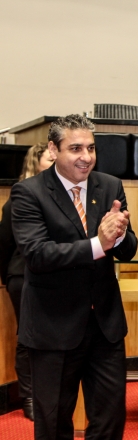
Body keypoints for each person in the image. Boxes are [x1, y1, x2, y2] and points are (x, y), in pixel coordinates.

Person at [10, 115, 137, 440]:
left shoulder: (109, 184)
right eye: (75, 148)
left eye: (91, 148)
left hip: (105, 325)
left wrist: (120, 234)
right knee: (53, 420)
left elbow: (127, 250)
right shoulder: (29, 193)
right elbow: (38, 255)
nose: (86, 157)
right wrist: (100, 243)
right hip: (53, 327)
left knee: (109, 415)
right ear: (53, 149)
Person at [0, 142, 53, 421]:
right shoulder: (18, 199)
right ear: (36, 163)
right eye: (50, 157)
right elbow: (5, 245)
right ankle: (29, 396)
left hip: (55, 275)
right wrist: (7, 278)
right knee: (27, 338)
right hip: (23, 276)